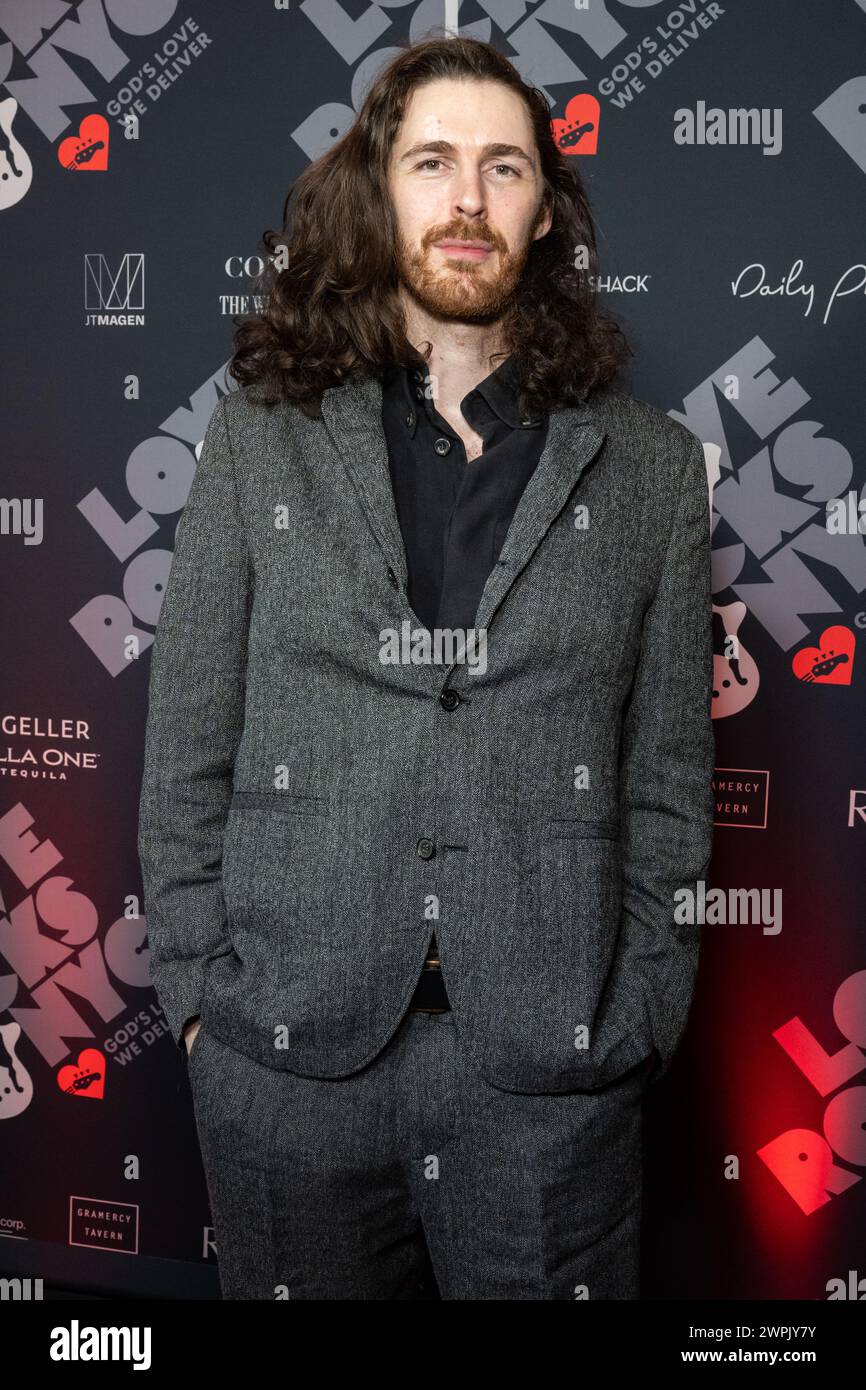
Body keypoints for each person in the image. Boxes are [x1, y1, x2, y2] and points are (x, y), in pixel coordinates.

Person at [137, 33, 715, 1300]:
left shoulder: (653, 469)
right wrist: (199, 1000)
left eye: (503, 168)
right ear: (377, 191)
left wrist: (635, 1021)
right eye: (433, 161)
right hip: (285, 1062)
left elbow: (668, 785)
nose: (466, 199)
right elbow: (188, 736)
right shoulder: (259, 438)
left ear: (545, 212)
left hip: (546, 1080)